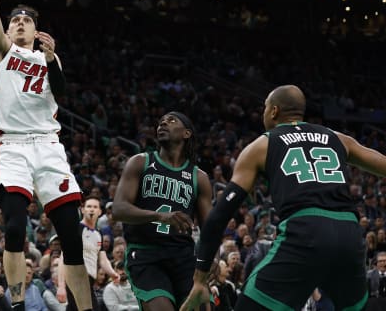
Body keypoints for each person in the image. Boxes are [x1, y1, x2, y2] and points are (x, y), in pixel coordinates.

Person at [180, 85, 386, 311]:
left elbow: (218, 216)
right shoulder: (338, 138)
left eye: (265, 108)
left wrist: (200, 280)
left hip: (306, 231)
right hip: (350, 233)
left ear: (274, 111)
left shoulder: (262, 145)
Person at [0, 0, 92, 311]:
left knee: (72, 237)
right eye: (16, 20)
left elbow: (61, 92)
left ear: (37, 30)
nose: (21, 23)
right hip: (13, 147)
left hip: (48, 147)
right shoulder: (1, 51)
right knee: (14, 229)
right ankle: (16, 305)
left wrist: (52, 59)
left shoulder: (48, 59)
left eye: (27, 20)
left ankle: (84, 308)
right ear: (9, 30)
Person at [112, 112, 212, 310]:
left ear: (186, 133)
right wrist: (159, 216)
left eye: (171, 120)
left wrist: (212, 259)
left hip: (184, 257)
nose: (163, 123)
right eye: (161, 122)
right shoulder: (140, 162)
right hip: (145, 255)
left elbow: (210, 228)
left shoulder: (198, 177)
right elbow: (119, 209)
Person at [58, 196, 120, 311]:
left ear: (100, 212)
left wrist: (113, 274)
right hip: (75, 279)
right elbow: (63, 258)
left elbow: (103, 259)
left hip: (88, 282)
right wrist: (61, 286)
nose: (92, 209)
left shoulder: (98, 233)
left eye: (95, 207)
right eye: (89, 206)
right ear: (83, 210)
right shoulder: (75, 230)